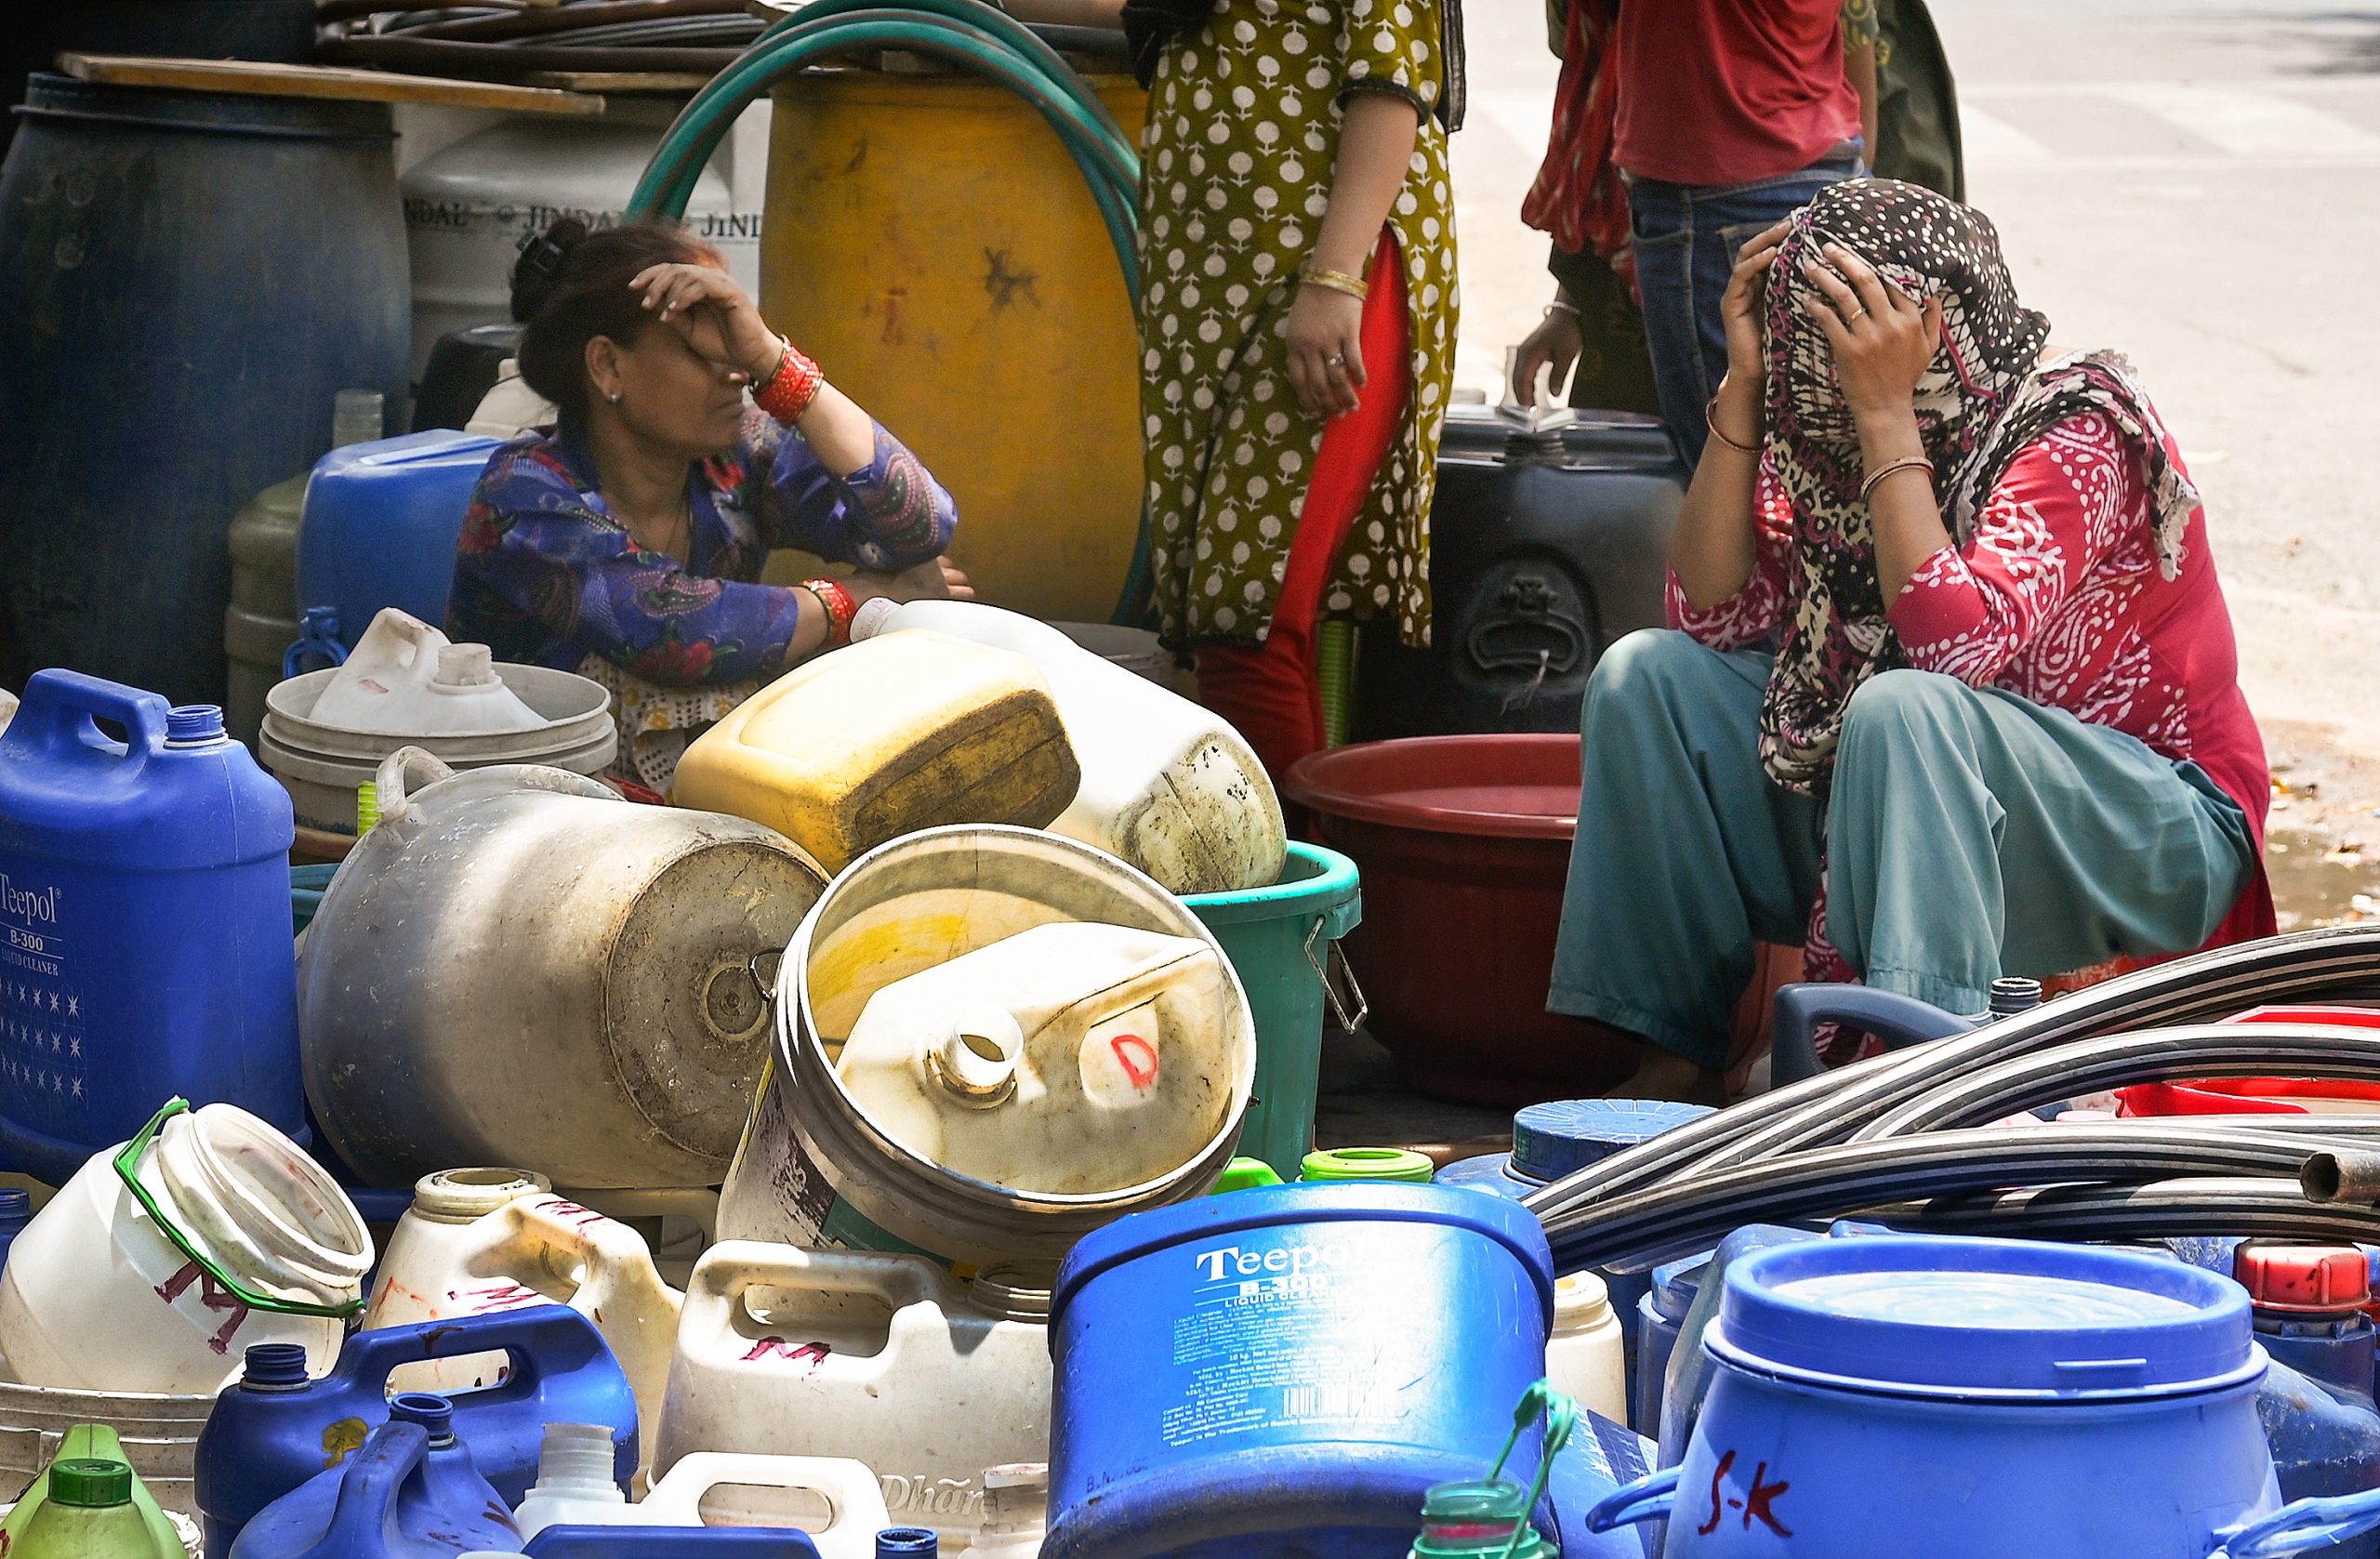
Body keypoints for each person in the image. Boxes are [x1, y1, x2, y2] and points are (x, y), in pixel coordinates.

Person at [1548, 179, 2274, 1103]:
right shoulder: (1829, 446)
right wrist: (1744, 385)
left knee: (1903, 706)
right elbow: (1707, 612)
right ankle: (1672, 1062)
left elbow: (1952, 654)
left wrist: (1887, 417)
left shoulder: (2072, 433)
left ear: (1927, 334)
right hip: (1918, 790)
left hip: (2150, 831)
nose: (1826, 390)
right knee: (1646, 678)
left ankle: (1917, 1081)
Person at [448, 218, 970, 792]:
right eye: (702, 345)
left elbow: (921, 527)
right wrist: (855, 602)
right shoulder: (523, 493)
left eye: (737, 339)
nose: (735, 371)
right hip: (516, 806)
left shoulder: (739, 458)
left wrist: (776, 362)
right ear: (609, 366)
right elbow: (674, 633)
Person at [1114, 0, 1464, 782]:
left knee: (1247, 624)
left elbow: (1393, 74)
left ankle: (1287, 896)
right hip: (1218, 298)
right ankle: (1313, 886)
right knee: (1246, 622)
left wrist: (1336, 278)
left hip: (1326, 279)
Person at [1511, 0, 1872, 459]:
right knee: (1800, 474)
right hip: (1815, 167)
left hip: (1719, 195)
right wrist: (1573, 296)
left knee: (1729, 479)